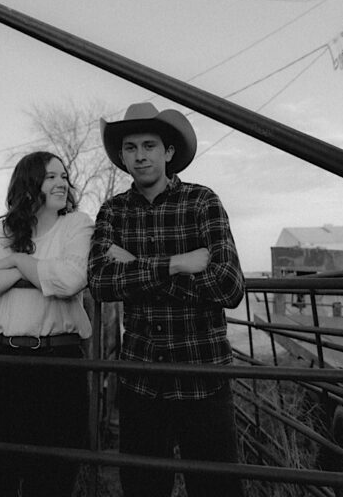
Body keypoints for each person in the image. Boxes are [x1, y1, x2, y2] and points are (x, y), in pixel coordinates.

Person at [87, 102, 246, 497]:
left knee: (216, 489)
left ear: (168, 152)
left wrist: (138, 267)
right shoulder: (114, 211)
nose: (140, 156)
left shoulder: (202, 202)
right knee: (143, 487)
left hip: (203, 377)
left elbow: (229, 287)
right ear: (122, 156)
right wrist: (176, 264)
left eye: (149, 145)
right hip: (142, 380)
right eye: (130, 148)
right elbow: (101, 283)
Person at [0, 151, 93, 497]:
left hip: (60, 366)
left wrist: (12, 260)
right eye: (51, 176)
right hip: (7, 365)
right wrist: (19, 272)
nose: (62, 183)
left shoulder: (77, 225)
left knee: (53, 476)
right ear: (29, 185)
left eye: (64, 176)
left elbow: (70, 279)